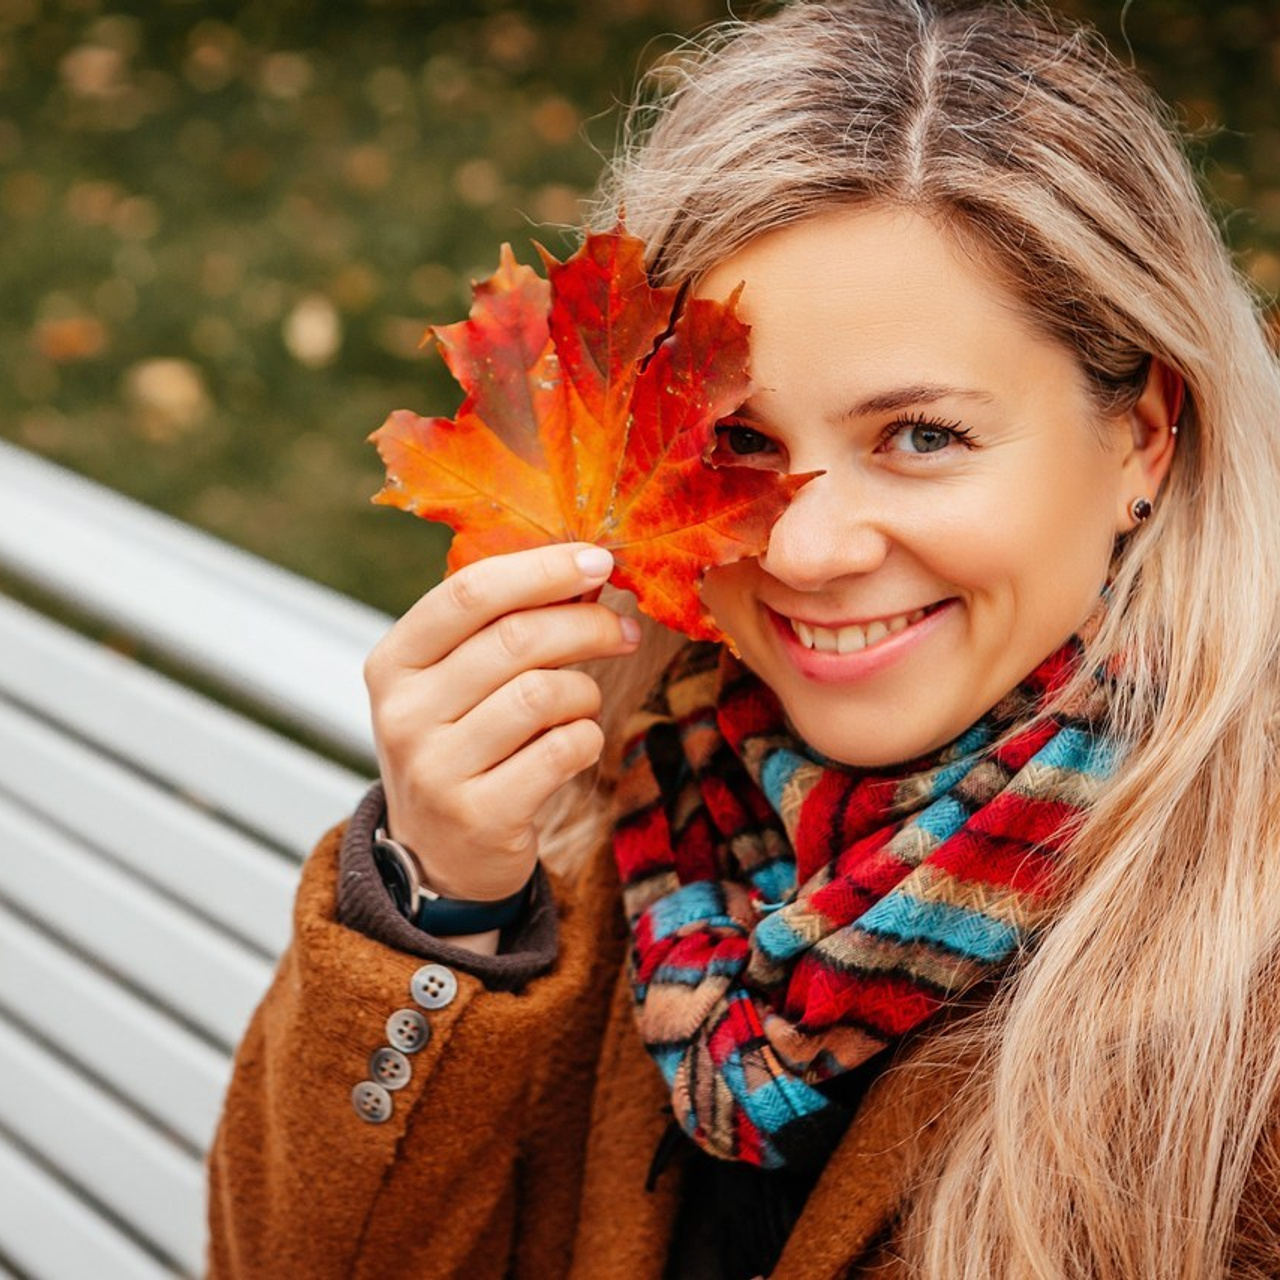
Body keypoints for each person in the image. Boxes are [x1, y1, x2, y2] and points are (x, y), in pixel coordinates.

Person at [207, 1, 1280, 1276]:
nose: (805, 551)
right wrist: (444, 900)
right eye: (738, 444)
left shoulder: (1241, 986)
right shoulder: (613, 804)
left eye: (919, 435)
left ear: (1141, 437)